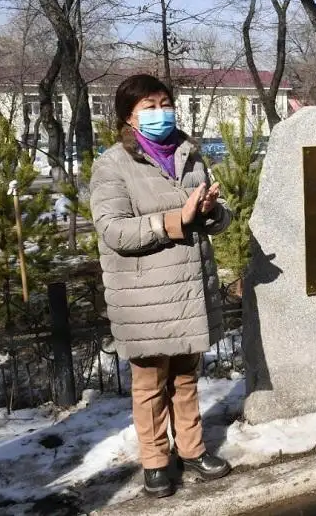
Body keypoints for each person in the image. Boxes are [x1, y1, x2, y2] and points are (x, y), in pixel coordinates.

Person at [90, 74, 233, 497]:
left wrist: (210, 212)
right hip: (145, 297)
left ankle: (191, 449)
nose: (160, 113)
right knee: (150, 384)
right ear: (129, 118)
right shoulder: (113, 164)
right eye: (148, 107)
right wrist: (177, 220)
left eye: (164, 103)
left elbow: (215, 218)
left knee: (186, 378)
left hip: (188, 291)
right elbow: (114, 231)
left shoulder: (189, 154)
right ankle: (155, 461)